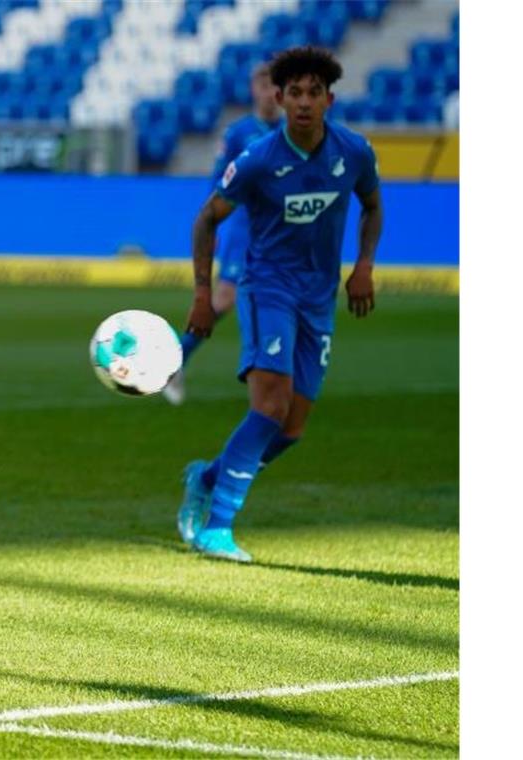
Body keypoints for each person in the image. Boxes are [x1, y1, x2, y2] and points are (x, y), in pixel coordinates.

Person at [176, 46, 382, 562]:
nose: (305, 102)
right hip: (267, 287)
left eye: (315, 93)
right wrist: (203, 295)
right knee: (269, 406)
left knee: (291, 428)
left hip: (318, 297)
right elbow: (206, 219)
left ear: (330, 99)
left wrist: (363, 267)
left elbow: (373, 204)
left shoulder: (353, 152)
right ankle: (217, 528)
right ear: (280, 97)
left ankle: (206, 477)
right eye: (295, 93)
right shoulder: (258, 160)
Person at [164, 62, 281, 405]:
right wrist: (211, 222)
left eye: (276, 86)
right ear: (253, 90)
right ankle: (177, 361)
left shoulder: (295, 131)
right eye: (263, 86)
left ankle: (274, 375)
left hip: (285, 230)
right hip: (246, 228)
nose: (270, 94)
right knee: (226, 298)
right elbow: (218, 180)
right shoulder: (239, 133)